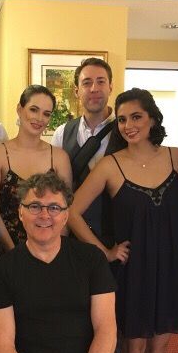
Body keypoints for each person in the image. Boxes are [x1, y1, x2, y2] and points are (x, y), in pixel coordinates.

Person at [0, 171, 157, 353]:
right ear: (21, 213)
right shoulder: (1, 270)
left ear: (66, 215)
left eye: (54, 207)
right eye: (35, 206)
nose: (44, 215)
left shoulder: (91, 259)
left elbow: (105, 331)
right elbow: (2, 348)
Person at [69, 88, 178, 353]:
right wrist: (105, 252)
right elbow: (72, 213)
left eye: (136, 117)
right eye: (122, 119)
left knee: (159, 350)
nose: (128, 125)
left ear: (152, 119)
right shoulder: (110, 165)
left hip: (170, 270)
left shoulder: (177, 157)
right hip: (133, 272)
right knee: (133, 350)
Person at [0, 85, 72, 252]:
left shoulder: (60, 157)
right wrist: (14, 253)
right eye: (34, 110)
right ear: (19, 109)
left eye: (46, 114)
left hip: (51, 250)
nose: (39, 118)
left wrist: (56, 252)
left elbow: (65, 209)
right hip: (8, 250)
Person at [51, 57, 114, 241]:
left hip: (115, 236)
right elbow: (56, 189)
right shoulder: (62, 133)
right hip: (72, 235)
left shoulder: (126, 133)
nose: (94, 88)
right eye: (87, 83)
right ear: (77, 91)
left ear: (110, 87)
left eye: (101, 81)